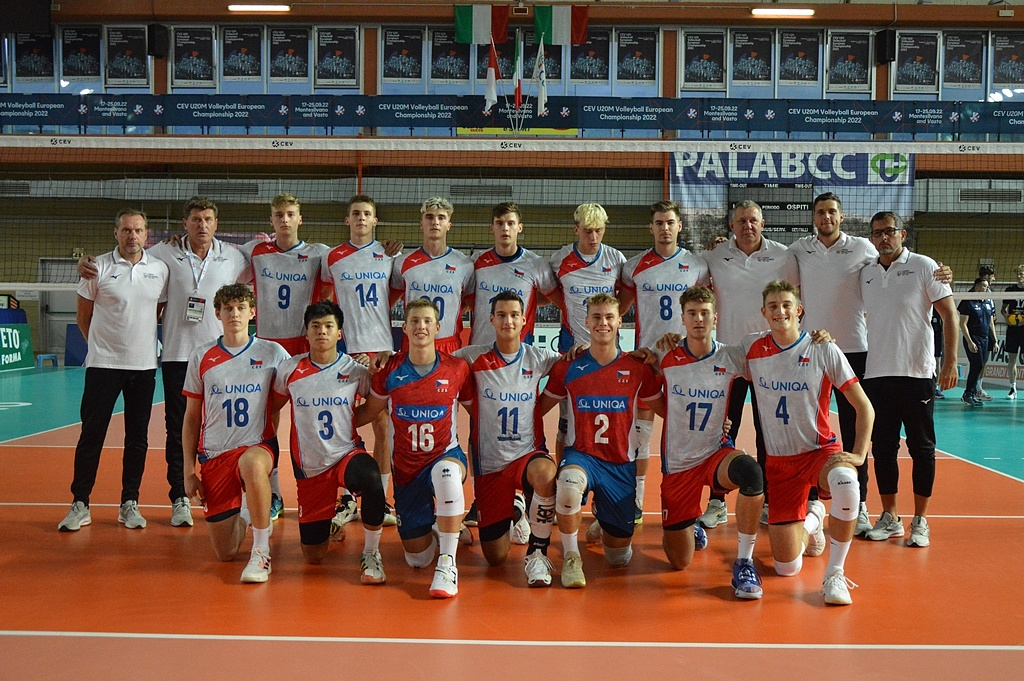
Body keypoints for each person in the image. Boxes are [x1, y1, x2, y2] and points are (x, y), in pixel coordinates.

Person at [75, 197, 249, 527]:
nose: (202, 225)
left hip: (220, 357)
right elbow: (129, 261)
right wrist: (85, 263)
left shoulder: (234, 256)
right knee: (177, 430)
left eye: (208, 219)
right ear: (184, 224)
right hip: (176, 356)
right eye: (195, 219)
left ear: (216, 223)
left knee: (226, 428)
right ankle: (179, 496)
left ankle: (231, 494)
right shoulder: (163, 254)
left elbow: (263, 264)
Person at [743, 280, 875, 606]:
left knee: (847, 482)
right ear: (764, 312)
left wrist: (859, 454)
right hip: (780, 464)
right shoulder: (751, 348)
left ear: (798, 310)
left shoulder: (823, 348)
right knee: (787, 567)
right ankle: (815, 518)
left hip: (819, 452)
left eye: (786, 305)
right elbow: (709, 358)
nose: (780, 311)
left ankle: (835, 573)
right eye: (773, 306)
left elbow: (864, 406)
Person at [538, 293, 663, 588]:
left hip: (620, 464)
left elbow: (668, 411)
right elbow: (537, 409)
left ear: (620, 322)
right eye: (596, 317)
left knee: (618, 558)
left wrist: (716, 423)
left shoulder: (638, 368)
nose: (602, 323)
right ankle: (572, 557)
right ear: (586, 321)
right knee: (568, 487)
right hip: (581, 455)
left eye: (609, 317)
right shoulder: (568, 367)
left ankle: (603, 514)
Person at [58, 208, 169, 532]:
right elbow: (84, 317)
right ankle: (80, 503)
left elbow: (157, 310)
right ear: (116, 233)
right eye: (126, 230)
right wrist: (101, 348)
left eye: (138, 230)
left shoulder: (159, 270)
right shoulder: (97, 267)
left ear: (146, 234)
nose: (132, 236)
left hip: (143, 367)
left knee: (137, 439)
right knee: (91, 435)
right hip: (103, 366)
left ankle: (129, 503)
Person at [651, 286, 765, 599]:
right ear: (682, 318)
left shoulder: (731, 356)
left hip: (716, 453)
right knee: (679, 562)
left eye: (705, 313)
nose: (699, 319)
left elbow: (775, 355)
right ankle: (691, 526)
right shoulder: (664, 356)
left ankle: (744, 562)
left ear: (715, 318)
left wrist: (815, 340)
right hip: (678, 464)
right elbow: (639, 382)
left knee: (752, 473)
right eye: (692, 313)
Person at [355, 298, 473, 598]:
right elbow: (369, 411)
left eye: (427, 321)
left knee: (447, 475)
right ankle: (441, 526)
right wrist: (333, 427)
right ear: (405, 328)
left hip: (445, 455)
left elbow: (477, 410)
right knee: (417, 559)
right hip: (407, 469)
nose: (421, 326)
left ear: (437, 327)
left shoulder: (457, 368)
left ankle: (448, 564)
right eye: (415, 321)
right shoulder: (390, 370)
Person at [270, 301, 388, 584]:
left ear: (339, 333)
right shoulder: (289, 369)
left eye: (328, 326)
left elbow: (374, 407)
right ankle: (329, 525)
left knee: (372, 478)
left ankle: (371, 552)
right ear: (307, 333)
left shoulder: (355, 370)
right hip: (310, 467)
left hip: (346, 454)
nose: (321, 331)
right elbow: (272, 406)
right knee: (313, 555)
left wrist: (346, 421)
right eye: (315, 326)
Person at [698, 200, 799, 528]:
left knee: (769, 433)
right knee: (721, 430)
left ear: (763, 223)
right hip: (728, 359)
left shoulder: (784, 256)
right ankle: (717, 501)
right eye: (741, 221)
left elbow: (797, 300)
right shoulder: (715, 256)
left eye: (753, 220)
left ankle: (769, 499)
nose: (747, 226)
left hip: (769, 360)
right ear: (731, 226)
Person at [860, 211, 959, 548]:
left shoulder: (924, 266)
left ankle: (920, 520)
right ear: (872, 239)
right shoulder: (866, 273)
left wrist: (949, 363)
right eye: (877, 233)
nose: (883, 238)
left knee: (922, 448)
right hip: (877, 374)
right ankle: (890, 517)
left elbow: (949, 315)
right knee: (883, 449)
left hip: (917, 373)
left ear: (902, 234)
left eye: (889, 231)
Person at [181, 284, 290, 583]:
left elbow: (300, 380)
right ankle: (246, 512)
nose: (235, 314)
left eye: (241, 308)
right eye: (228, 308)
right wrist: (188, 471)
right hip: (215, 455)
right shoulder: (202, 356)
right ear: (217, 314)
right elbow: (191, 417)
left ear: (252, 312)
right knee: (226, 551)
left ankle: (261, 552)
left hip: (257, 446)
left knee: (252, 464)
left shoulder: (272, 353)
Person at [455, 290, 562, 586]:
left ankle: (537, 553)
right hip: (490, 465)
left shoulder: (538, 356)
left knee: (546, 473)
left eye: (514, 315)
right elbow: (434, 362)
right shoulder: (472, 357)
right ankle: (516, 510)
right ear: (491, 319)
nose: (508, 321)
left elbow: (576, 361)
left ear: (524, 320)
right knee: (495, 557)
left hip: (526, 455)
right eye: (501, 315)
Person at [240, 193, 332, 520]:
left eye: (290, 214)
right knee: (266, 423)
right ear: (272, 220)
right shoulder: (254, 251)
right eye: (279, 215)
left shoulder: (318, 253)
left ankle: (325, 494)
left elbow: (352, 263)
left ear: (299, 219)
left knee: (311, 422)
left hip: (304, 348)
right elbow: (216, 252)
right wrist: (180, 241)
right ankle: (275, 493)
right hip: (266, 349)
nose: (284, 220)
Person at [619, 199, 710, 524]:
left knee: (686, 435)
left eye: (670, 222)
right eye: (659, 223)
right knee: (640, 436)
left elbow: (705, 310)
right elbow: (619, 309)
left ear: (679, 226)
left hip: (685, 364)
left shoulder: (697, 266)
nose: (665, 228)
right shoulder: (634, 267)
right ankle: (636, 501)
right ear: (651, 227)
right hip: (647, 362)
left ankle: (688, 505)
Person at [321, 194, 400, 526]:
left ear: (375, 220)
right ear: (347, 220)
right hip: (344, 351)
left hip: (380, 351)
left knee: (383, 425)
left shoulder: (389, 255)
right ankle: (346, 499)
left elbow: (395, 292)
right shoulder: (333, 257)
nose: (361, 218)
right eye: (355, 213)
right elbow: (323, 294)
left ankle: (380, 499)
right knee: (341, 424)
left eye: (367, 214)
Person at [548, 203, 627, 462]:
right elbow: (551, 294)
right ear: (576, 230)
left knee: (607, 418)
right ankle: (563, 471)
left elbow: (624, 298)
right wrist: (570, 311)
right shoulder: (559, 260)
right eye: (587, 231)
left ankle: (604, 469)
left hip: (607, 354)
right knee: (567, 421)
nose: (593, 237)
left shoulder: (616, 259)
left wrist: (610, 326)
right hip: (571, 352)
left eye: (598, 230)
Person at [389, 197, 474, 354]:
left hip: (449, 343)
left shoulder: (464, 264)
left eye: (441, 217)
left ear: (449, 225)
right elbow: (389, 302)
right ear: (421, 224)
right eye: (429, 217)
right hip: (413, 342)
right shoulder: (402, 262)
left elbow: (473, 303)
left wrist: (451, 310)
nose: (435, 222)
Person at [468, 202, 557, 347]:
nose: (505, 228)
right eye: (499, 223)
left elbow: (552, 298)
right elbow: (467, 300)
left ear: (519, 228)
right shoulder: (476, 261)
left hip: (520, 348)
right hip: (480, 347)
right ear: (492, 228)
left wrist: (528, 300)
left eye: (510, 223)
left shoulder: (535, 264)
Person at [959, 278, 998, 407]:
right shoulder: (968, 301)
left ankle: (972, 393)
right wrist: (970, 342)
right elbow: (962, 324)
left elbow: (991, 323)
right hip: (973, 338)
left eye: (987, 287)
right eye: (984, 286)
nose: (986, 289)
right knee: (977, 364)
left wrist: (995, 341)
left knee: (979, 366)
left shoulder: (988, 302)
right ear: (977, 287)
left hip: (985, 338)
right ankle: (968, 394)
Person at [1001, 264, 1024, 400]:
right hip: (1013, 329)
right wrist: (1006, 318)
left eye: (1022, 274)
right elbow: (1003, 309)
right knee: (1012, 359)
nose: (1019, 276)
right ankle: (1012, 389)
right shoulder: (1010, 290)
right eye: (1018, 274)